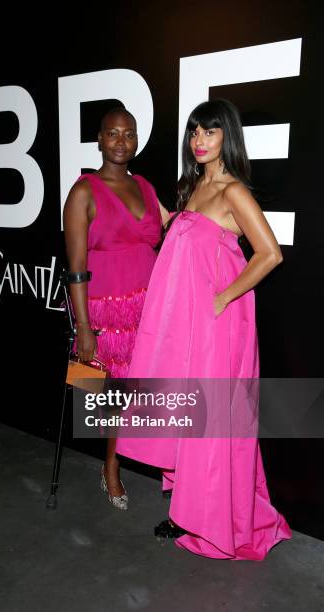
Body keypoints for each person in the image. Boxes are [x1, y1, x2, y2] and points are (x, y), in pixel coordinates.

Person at [115, 99, 292, 559]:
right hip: (187, 325)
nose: (199, 140)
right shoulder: (194, 187)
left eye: (210, 132)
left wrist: (223, 296)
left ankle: (213, 520)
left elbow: (270, 253)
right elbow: (189, 235)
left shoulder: (233, 191)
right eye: (194, 132)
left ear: (226, 137)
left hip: (218, 326)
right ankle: (189, 511)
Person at [63, 107, 169, 510]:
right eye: (113, 134)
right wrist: (84, 328)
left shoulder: (144, 185)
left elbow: (164, 234)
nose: (121, 141)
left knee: (138, 391)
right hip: (104, 313)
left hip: (149, 305)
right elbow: (74, 269)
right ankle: (110, 468)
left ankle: (131, 459)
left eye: (129, 134)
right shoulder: (83, 191)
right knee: (105, 395)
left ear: (137, 140)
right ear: (99, 140)